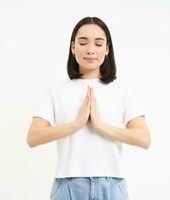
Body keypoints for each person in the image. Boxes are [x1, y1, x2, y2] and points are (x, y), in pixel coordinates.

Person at [27, 16, 151, 200]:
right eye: (83, 43)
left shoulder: (122, 89)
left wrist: (101, 126)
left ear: (107, 49)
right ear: (73, 47)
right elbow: (33, 137)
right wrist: (76, 124)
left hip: (112, 186)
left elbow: (144, 139)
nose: (91, 50)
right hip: (67, 186)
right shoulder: (56, 89)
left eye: (98, 44)